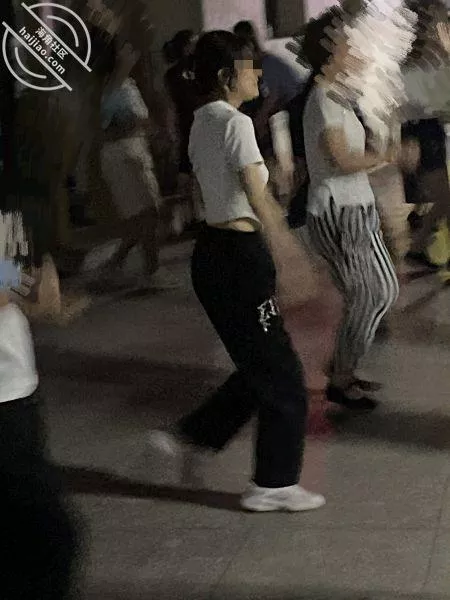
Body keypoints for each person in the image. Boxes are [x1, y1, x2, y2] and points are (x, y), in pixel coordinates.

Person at [150, 30, 325, 513]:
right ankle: (273, 484)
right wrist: (290, 254)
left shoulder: (202, 120)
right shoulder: (236, 124)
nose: (258, 75)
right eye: (250, 68)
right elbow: (257, 197)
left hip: (212, 253)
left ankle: (195, 434)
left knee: (258, 362)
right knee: (282, 373)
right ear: (229, 76)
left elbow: (216, 189)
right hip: (241, 258)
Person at [302, 14, 402, 409]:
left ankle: (343, 366)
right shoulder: (323, 99)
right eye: (346, 42)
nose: (354, 48)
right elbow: (341, 159)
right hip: (340, 211)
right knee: (369, 294)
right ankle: (341, 375)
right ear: (330, 50)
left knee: (378, 291)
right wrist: (387, 156)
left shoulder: (337, 97)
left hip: (355, 207)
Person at [98, 40, 167, 288]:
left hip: (118, 154)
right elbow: (125, 124)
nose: (133, 53)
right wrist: (154, 129)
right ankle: (151, 271)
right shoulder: (122, 89)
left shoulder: (108, 87)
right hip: (129, 153)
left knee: (139, 218)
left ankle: (114, 266)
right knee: (148, 213)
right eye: (127, 50)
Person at [163, 30, 202, 229]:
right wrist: (171, 131)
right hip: (194, 125)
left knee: (187, 172)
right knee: (191, 172)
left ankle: (191, 215)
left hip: (188, 126)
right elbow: (171, 105)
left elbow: (171, 106)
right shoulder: (198, 68)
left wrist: (172, 132)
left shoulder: (172, 74)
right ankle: (194, 215)